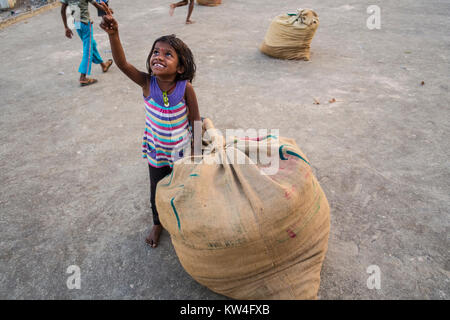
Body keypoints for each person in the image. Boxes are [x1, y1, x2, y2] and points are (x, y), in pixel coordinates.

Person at [99, 3, 201, 248]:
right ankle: (158, 223)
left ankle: (181, 219)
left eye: (168, 54)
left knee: (181, 186)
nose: (159, 56)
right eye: (156, 52)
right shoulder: (146, 83)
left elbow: (195, 120)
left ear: (181, 67)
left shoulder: (185, 88)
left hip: (180, 152)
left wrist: (197, 154)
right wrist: (114, 34)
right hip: (156, 150)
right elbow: (123, 64)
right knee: (156, 188)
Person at [60, 0, 113, 86]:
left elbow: (62, 10)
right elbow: (97, 5)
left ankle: (103, 65)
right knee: (88, 49)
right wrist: (107, 10)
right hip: (85, 24)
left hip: (77, 23)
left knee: (91, 45)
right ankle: (83, 77)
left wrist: (66, 27)